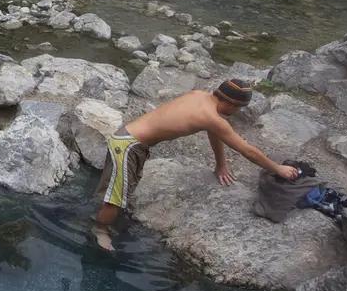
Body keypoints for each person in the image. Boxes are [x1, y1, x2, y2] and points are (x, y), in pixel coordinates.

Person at [92, 78, 301, 251]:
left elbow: (214, 131)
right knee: (116, 199)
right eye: (239, 108)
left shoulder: (200, 96)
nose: (237, 112)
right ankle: (100, 230)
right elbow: (248, 151)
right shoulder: (211, 117)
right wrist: (278, 168)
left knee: (121, 190)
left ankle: (106, 218)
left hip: (129, 139)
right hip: (128, 146)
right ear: (231, 104)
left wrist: (220, 164)